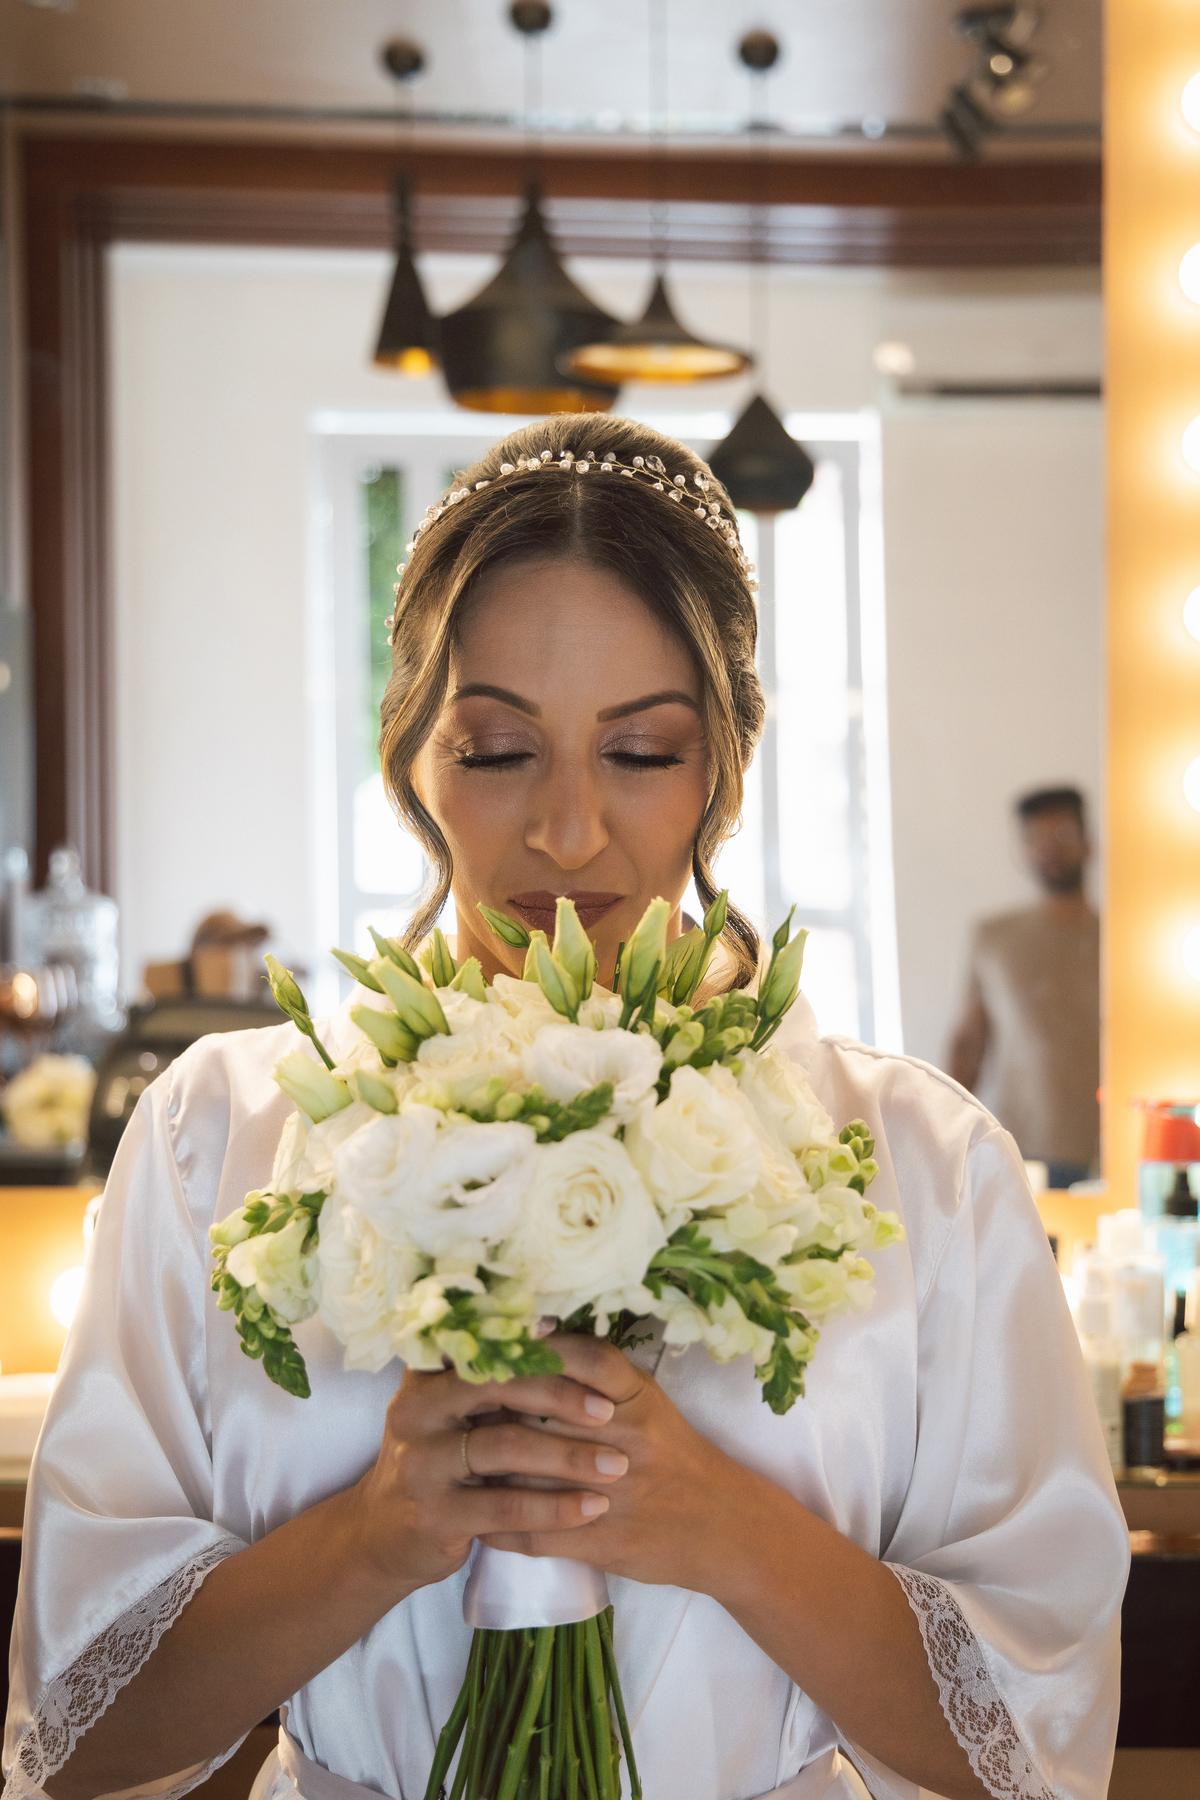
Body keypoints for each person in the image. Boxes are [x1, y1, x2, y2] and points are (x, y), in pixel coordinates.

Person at [4, 419, 1126, 1800]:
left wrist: (722, 1527)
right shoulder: (214, 1136)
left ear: (722, 759)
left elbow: (1031, 1753)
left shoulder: (925, 1168)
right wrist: (371, 1535)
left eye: (641, 752)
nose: (571, 830)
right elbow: (76, 1740)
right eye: (497, 749)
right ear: (410, 751)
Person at [947, 788, 1100, 1189]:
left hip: (1111, 1148)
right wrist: (946, 1138)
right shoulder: (994, 939)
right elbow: (968, 1044)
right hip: (1019, 1149)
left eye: (1063, 835)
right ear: (1021, 850)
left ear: (1089, 843)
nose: (1049, 848)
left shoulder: (1125, 938)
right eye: (1035, 837)